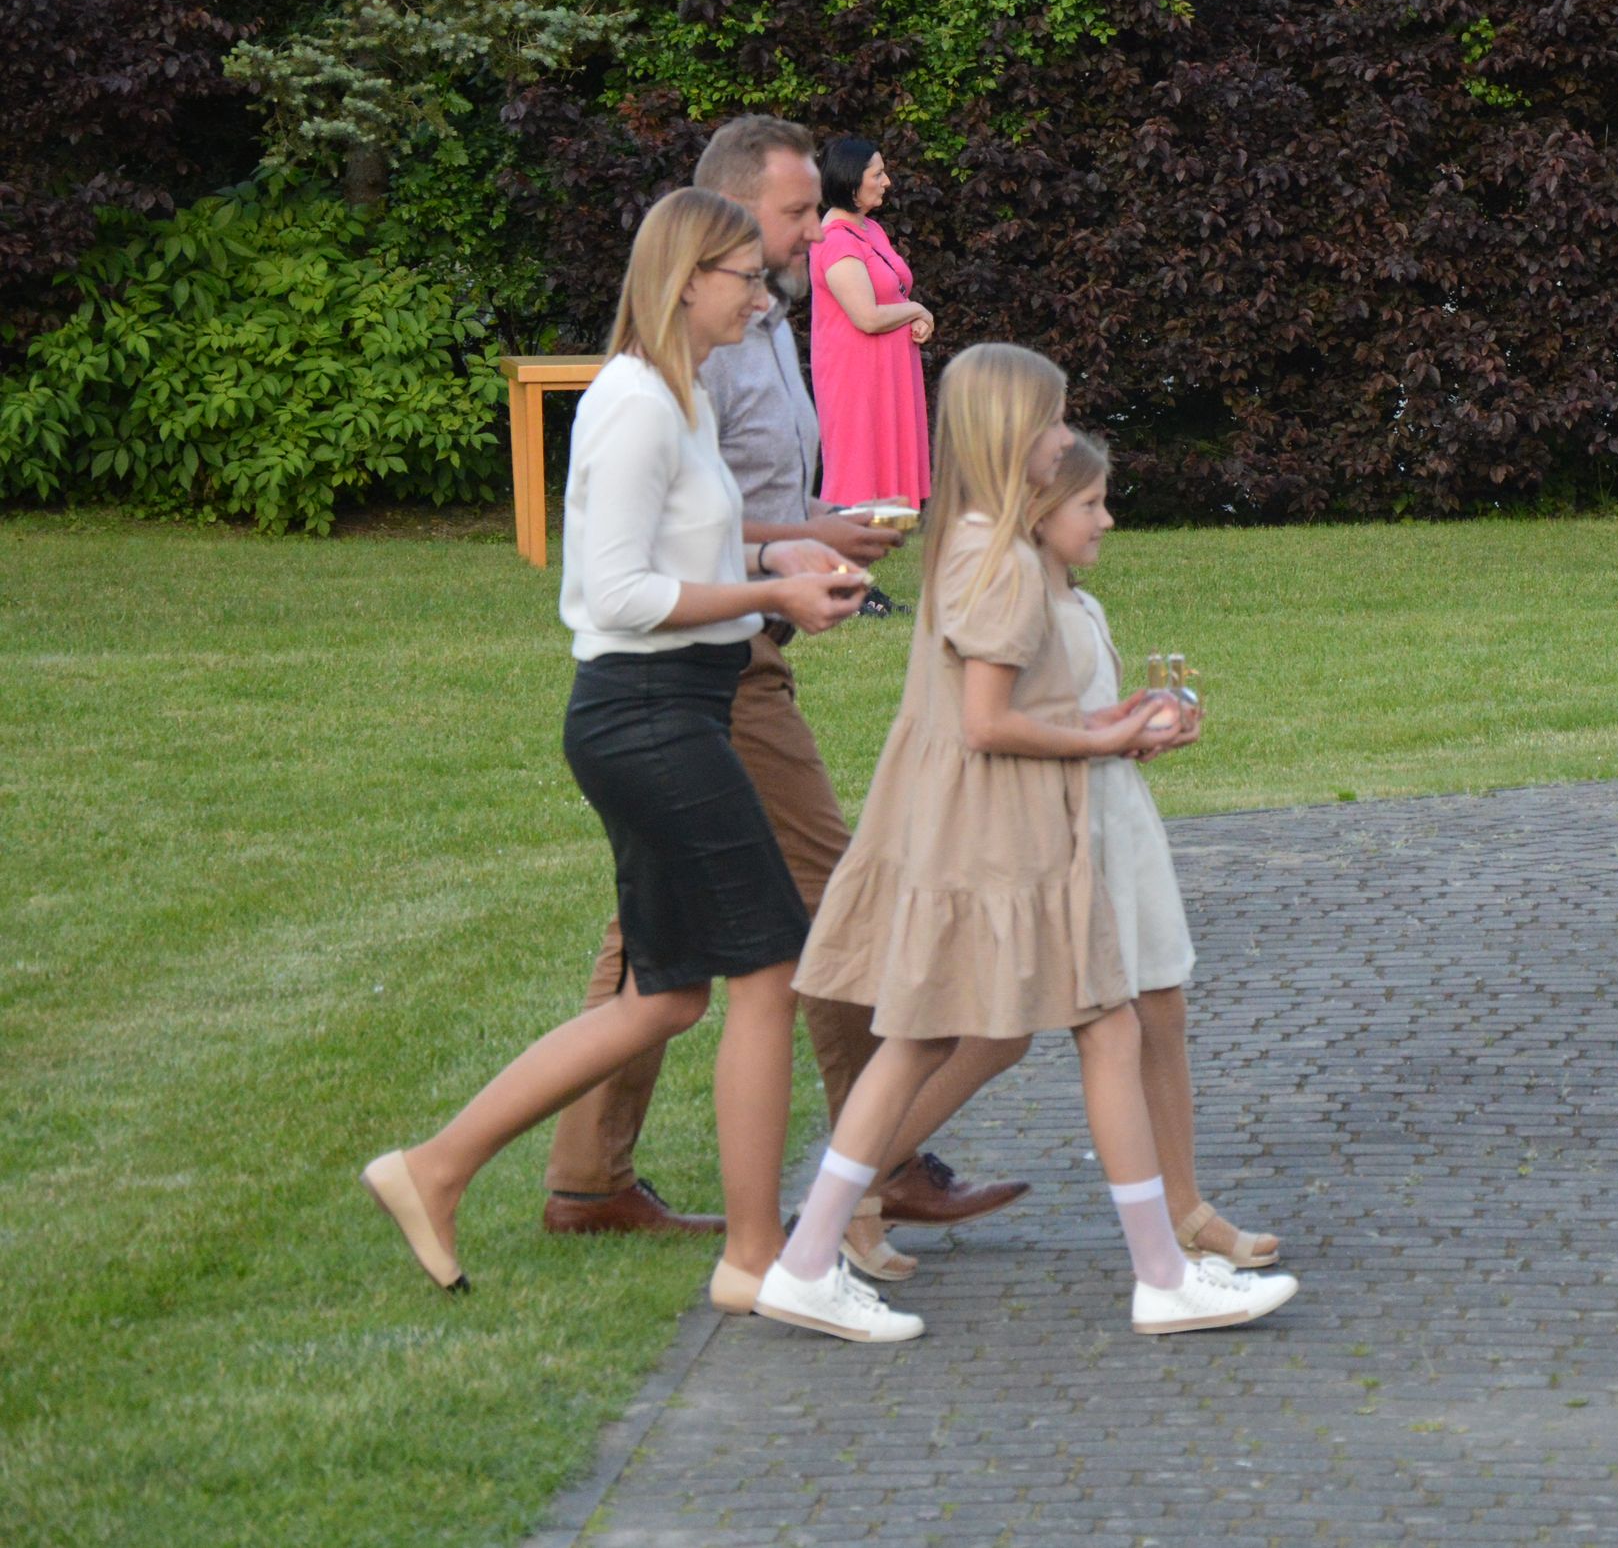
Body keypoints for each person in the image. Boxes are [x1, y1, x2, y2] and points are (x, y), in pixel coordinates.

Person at [361, 189, 868, 1295]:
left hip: (670, 710)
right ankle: (754, 1259)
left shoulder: (678, 398)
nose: (762, 299)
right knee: (769, 967)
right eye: (747, 278)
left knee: (667, 995)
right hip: (647, 715)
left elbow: (686, 547)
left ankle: (433, 1168)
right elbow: (620, 592)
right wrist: (764, 592)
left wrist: (777, 562)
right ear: (686, 280)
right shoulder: (635, 403)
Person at [540, 115, 1024, 1265]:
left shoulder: (752, 324)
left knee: (653, 932)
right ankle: (880, 1161)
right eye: (797, 213)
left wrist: (819, 531)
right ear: (726, 213)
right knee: (832, 891)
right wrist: (783, 564)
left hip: (731, 643)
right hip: (708, 662)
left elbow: (724, 506)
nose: (815, 232)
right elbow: (648, 553)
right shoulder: (682, 358)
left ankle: (584, 1177)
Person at [764, 343, 1298, 1342]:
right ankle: (1162, 1273)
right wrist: (1100, 739)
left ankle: (807, 1257)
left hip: (964, 827)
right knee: (1103, 1027)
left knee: (927, 1038)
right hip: (1004, 836)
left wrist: (1103, 721)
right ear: (1013, 432)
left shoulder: (968, 543)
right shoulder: (1003, 560)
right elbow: (988, 723)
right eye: (1052, 420)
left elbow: (998, 710)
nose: (1063, 437)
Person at [1035, 434, 1284, 1269]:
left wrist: (1139, 726)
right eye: (1090, 504)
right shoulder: (1023, 607)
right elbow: (1019, 728)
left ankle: (1187, 1207)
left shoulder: (1082, 603)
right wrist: (1112, 732)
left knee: (1163, 1003)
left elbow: (1087, 717)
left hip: (1122, 817)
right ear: (1039, 510)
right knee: (985, 1034)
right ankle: (865, 1180)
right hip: (1071, 829)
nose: (1106, 519)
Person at [809, 137, 933, 556]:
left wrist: (914, 316)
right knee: (855, 472)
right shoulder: (836, 241)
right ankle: (836, 568)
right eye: (877, 174)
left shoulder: (869, 229)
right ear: (850, 181)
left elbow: (891, 294)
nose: (887, 181)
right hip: (855, 375)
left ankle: (856, 566)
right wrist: (917, 309)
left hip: (887, 369)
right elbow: (866, 316)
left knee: (878, 471)